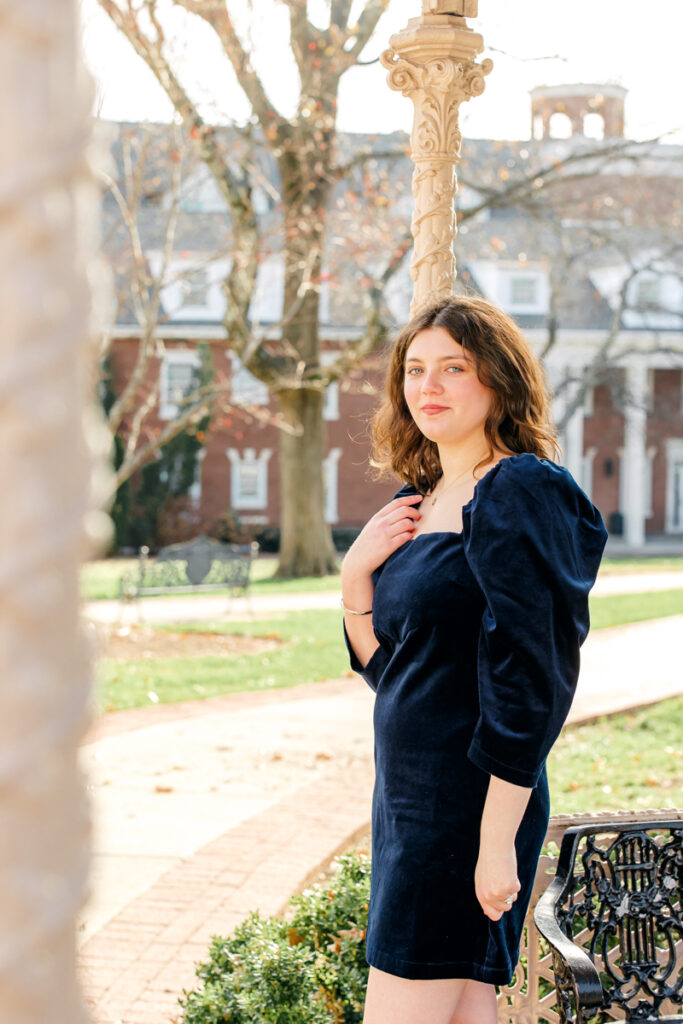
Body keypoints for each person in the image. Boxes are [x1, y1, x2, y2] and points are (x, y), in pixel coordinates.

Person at [341, 296, 608, 1024]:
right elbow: (397, 674)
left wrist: (495, 842)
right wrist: (355, 579)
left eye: (453, 368)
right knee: (461, 1010)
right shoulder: (420, 498)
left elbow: (533, 678)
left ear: (497, 379)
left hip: (467, 806)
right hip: (406, 801)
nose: (427, 386)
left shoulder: (520, 489)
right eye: (415, 369)